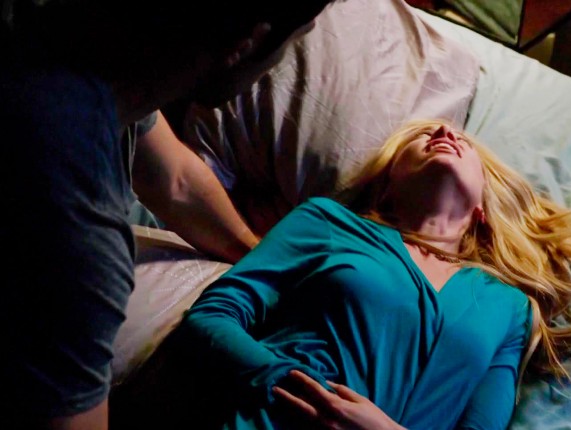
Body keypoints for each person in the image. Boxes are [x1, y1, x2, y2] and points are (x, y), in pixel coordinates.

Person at [0, 1, 338, 429]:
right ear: (247, 43)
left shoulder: (85, 44)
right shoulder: (77, 231)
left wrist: (259, 262)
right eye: (293, 41)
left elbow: (175, 180)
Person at [139, 119, 571, 429]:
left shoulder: (510, 308)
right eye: (420, 136)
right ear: (387, 184)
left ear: (482, 208)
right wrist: (298, 389)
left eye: (463, 142)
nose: (444, 131)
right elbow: (211, 317)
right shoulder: (328, 223)